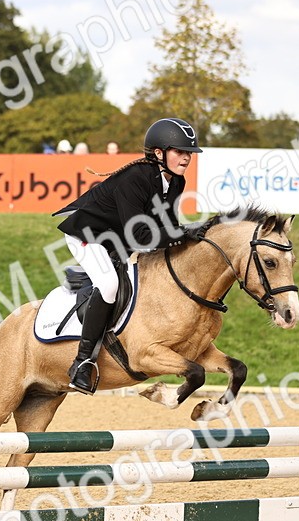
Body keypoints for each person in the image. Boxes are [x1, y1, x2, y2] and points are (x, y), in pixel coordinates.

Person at [52, 117, 201, 394]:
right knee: (109, 284)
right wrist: (186, 232)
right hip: (89, 235)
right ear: (159, 153)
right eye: (180, 151)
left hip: (119, 239)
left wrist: (189, 235)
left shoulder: (176, 182)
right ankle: (82, 363)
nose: (186, 157)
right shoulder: (136, 178)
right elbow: (140, 236)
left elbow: (167, 227)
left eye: (189, 152)